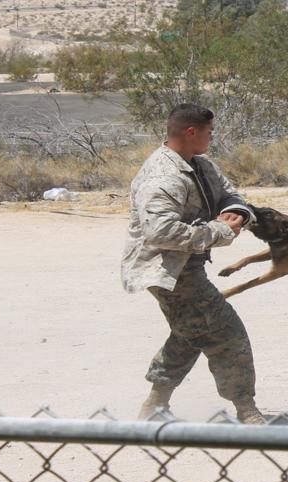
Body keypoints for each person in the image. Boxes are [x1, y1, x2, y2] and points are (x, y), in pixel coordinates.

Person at [121, 103, 265, 424]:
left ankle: (155, 405)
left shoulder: (199, 165)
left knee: (191, 332)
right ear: (191, 132)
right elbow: (159, 232)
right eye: (209, 133)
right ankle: (246, 409)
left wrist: (238, 213)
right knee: (228, 333)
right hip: (167, 270)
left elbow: (230, 194)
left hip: (185, 266)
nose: (212, 138)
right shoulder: (163, 177)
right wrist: (219, 230)